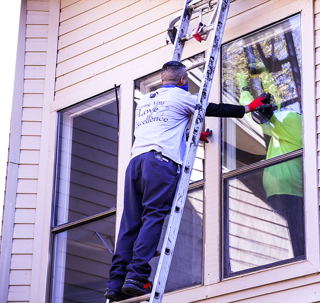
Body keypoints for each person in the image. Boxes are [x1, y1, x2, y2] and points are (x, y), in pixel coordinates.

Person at [105, 61, 269, 301]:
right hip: (159, 165)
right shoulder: (182, 97)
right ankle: (136, 276)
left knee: (130, 224)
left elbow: (164, 125)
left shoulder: (147, 102)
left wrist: (189, 135)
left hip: (136, 164)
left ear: (162, 80)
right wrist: (247, 108)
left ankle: (115, 282)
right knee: (153, 217)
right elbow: (212, 108)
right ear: (183, 81)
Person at [236, 66, 305, 258]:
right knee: (295, 231)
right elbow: (274, 105)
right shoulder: (290, 121)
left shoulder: (292, 120)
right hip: (288, 187)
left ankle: (300, 263)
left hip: (285, 187)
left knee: (297, 236)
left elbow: (255, 112)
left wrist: (243, 90)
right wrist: (264, 74)